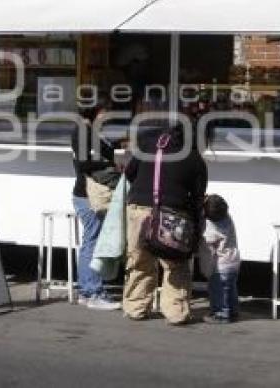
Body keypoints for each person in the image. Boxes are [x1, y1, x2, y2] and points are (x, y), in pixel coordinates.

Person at [123, 121, 207, 324]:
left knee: (139, 260)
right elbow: (197, 198)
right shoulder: (195, 160)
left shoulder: (149, 146)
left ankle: (136, 307)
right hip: (173, 214)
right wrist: (195, 231)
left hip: (139, 210)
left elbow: (129, 173)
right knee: (175, 263)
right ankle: (176, 312)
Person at [71, 102, 121, 310]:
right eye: (104, 112)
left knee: (91, 240)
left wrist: (117, 146)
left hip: (86, 194)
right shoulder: (83, 132)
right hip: (88, 195)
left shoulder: (89, 131)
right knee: (91, 242)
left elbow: (106, 151)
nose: (107, 116)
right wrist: (110, 165)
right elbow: (83, 164)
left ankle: (87, 290)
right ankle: (92, 291)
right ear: (95, 113)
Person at [198, 194, 240, 324]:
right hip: (233, 261)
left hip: (220, 266)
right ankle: (233, 311)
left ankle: (221, 314)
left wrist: (207, 270)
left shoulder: (211, 229)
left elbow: (209, 252)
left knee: (218, 291)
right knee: (230, 289)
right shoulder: (227, 218)